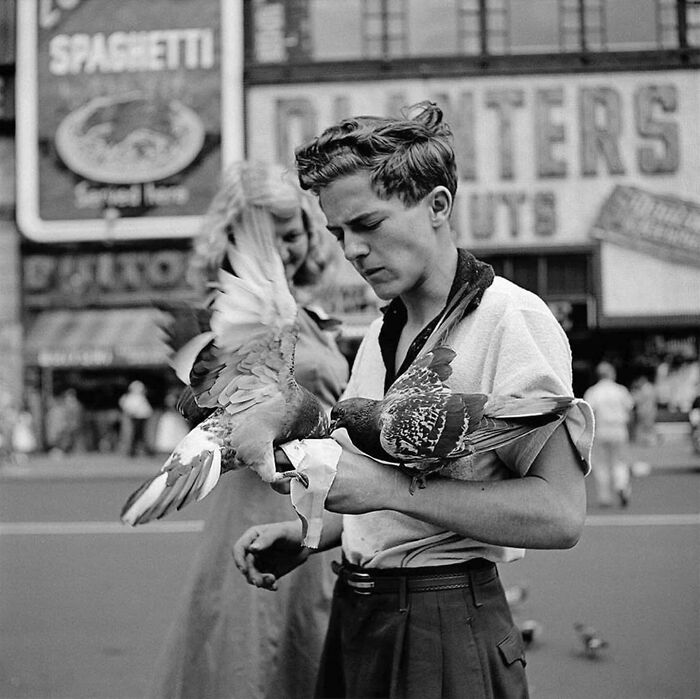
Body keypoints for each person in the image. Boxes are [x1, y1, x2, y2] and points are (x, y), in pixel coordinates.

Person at [233, 103, 593, 698]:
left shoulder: (512, 319)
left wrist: (383, 490)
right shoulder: (382, 330)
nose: (351, 250)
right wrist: (313, 536)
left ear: (438, 206)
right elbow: (380, 499)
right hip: (360, 613)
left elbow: (560, 514)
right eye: (339, 233)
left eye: (368, 225)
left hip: (445, 622)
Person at [148, 161, 349, 699]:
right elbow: (203, 398)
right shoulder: (235, 317)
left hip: (327, 508)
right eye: (264, 236)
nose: (283, 250)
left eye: (292, 233)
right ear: (232, 241)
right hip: (262, 505)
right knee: (255, 660)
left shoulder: (312, 316)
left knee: (308, 651)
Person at [584, 361, 634, 507]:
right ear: (612, 373)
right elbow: (630, 410)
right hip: (619, 429)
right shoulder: (621, 390)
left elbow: (589, 413)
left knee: (601, 464)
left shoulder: (593, 392)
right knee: (620, 461)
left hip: (601, 429)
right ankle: (621, 485)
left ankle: (605, 496)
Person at [118, 380, 154, 457]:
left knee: (141, 435)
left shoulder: (140, 397)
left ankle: (140, 451)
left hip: (142, 418)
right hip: (136, 418)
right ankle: (133, 451)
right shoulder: (132, 397)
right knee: (137, 435)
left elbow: (146, 409)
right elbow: (128, 407)